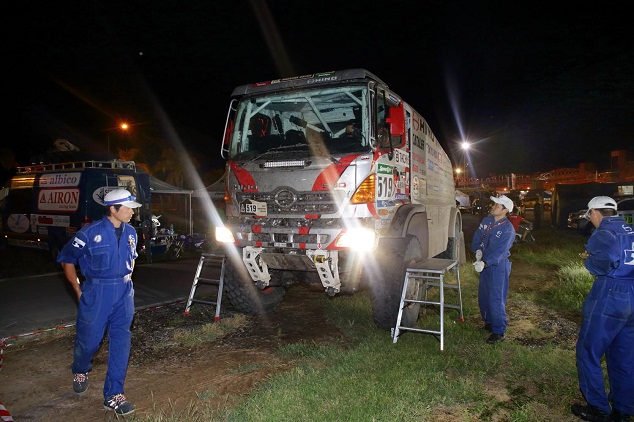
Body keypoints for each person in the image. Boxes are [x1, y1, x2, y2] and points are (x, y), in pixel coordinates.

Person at [57, 189, 142, 416]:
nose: (132, 212)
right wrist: (77, 289)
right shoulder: (89, 232)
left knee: (121, 342)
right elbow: (67, 259)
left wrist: (127, 281)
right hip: (97, 292)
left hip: (124, 292)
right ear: (113, 209)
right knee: (89, 342)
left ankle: (113, 394)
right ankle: (80, 368)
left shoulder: (132, 232)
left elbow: (132, 260)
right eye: (128, 208)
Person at [571, 196, 634, 422]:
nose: (590, 219)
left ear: (595, 212)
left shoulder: (603, 232)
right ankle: (624, 409)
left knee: (588, 350)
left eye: (590, 215)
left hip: (611, 293)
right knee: (624, 355)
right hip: (633, 292)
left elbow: (605, 258)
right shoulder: (630, 230)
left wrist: (590, 262)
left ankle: (598, 408)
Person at [471, 195, 516, 344]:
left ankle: (499, 331)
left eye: (497, 205)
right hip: (483, 264)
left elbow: (501, 252)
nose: (493, 206)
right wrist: (477, 250)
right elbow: (478, 237)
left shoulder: (507, 229)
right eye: (494, 204)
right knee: (483, 296)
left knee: (496, 298)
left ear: (505, 210)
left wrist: (485, 262)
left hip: (498, 267)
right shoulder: (487, 221)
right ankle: (488, 322)